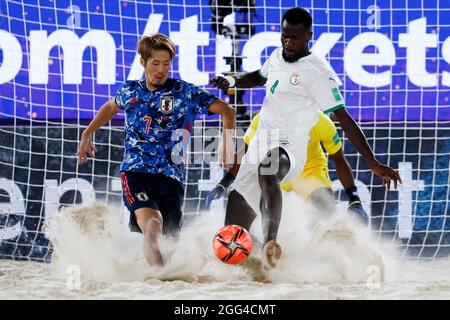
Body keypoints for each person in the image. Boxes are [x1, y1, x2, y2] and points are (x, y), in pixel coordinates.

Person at [209, 7, 401, 269]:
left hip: (289, 146)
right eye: (284, 36)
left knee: (268, 171)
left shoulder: (318, 72)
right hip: (261, 142)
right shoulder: (277, 56)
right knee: (233, 229)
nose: (288, 43)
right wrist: (230, 80)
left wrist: (373, 162)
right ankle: (264, 263)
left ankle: (271, 243)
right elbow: (258, 77)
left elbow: (344, 118)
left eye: (295, 38)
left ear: (308, 36)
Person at [77, 33, 236, 267]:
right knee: (153, 223)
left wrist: (227, 140)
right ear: (143, 62)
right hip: (135, 172)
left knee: (170, 244)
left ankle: (164, 276)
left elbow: (227, 111)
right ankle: (160, 279)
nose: (161, 69)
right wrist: (87, 132)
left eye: (166, 63)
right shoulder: (130, 90)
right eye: (155, 63)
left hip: (172, 177)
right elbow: (111, 106)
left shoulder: (185, 92)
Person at [205, 111, 369, 222]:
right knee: (243, 202)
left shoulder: (319, 120)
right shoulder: (264, 119)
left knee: (326, 207)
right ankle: (247, 247)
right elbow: (245, 155)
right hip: (274, 171)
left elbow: (339, 159)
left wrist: (354, 198)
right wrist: (223, 183)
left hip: (309, 170)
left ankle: (328, 252)